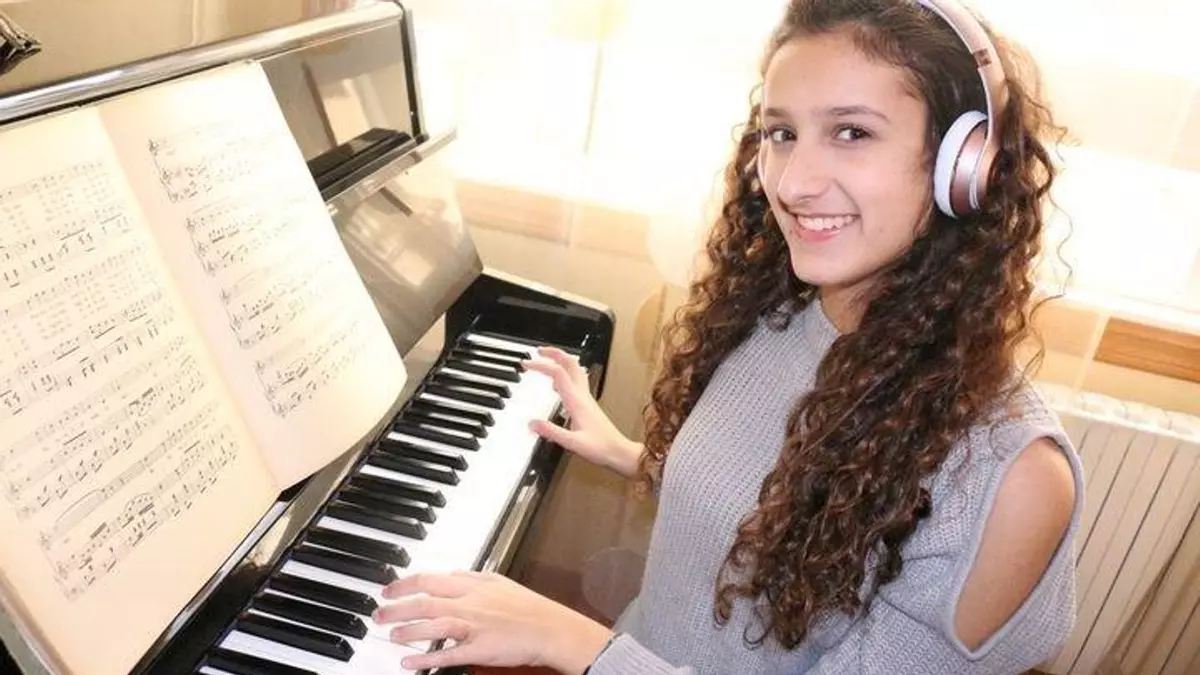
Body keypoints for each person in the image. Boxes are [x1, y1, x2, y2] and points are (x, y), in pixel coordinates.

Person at [372, 0, 1085, 672]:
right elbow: (776, 512)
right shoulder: (778, 317)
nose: (793, 183)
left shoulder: (1014, 480)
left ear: (966, 166)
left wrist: (576, 643)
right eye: (782, 133)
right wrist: (632, 455)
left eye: (852, 132)